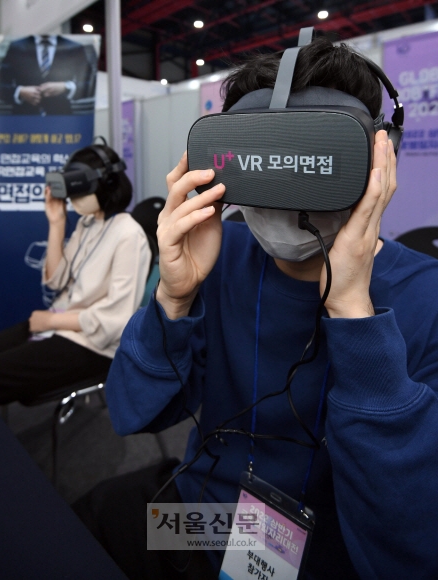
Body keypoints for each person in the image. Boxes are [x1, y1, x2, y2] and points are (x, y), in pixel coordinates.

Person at [72, 37, 438, 579]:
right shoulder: (220, 255)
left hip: (329, 549)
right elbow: (133, 414)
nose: (283, 190)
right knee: (79, 526)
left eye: (309, 156)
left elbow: (411, 552)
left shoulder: (427, 295)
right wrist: (173, 298)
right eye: (263, 159)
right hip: (208, 516)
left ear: (378, 158)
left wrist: (353, 312)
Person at [0, 144, 151, 406]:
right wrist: (56, 222)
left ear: (107, 184)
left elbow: (116, 320)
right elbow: (57, 280)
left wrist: (52, 321)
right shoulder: (86, 223)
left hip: (93, 345)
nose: (72, 197)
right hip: (58, 324)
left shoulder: (129, 235)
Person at [0, 35, 97, 115]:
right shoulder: (17, 47)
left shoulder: (74, 47)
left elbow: (91, 85)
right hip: (24, 120)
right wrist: (20, 91)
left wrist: (66, 87)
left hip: (61, 120)